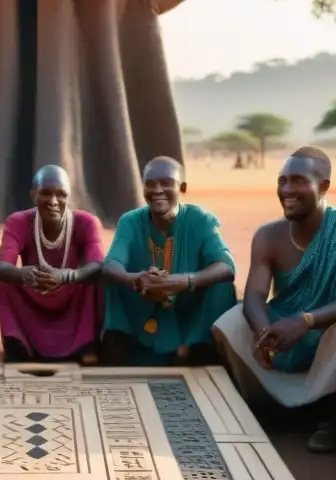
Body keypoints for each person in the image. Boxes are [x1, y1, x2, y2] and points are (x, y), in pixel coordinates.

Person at [213, 147, 336, 452]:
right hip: (284, 327)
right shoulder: (268, 236)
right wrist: (263, 333)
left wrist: (307, 321)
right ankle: (266, 405)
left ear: (323, 187)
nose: (287, 190)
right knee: (231, 320)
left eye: (297, 181)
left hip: (328, 327)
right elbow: (255, 294)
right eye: (282, 181)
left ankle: (329, 416)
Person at [100, 156, 237, 365]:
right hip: (143, 309)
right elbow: (111, 264)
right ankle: (118, 347)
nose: (157, 190)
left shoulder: (200, 219)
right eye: (150, 184)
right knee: (110, 278)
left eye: (166, 183)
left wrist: (185, 281)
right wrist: (135, 279)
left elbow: (226, 266)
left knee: (222, 287)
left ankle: (195, 350)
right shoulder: (130, 221)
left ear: (182, 187)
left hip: (186, 311)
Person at [0, 165, 105, 364]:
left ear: (69, 196)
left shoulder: (86, 222)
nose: (53, 201)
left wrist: (64, 276)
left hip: (72, 295)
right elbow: (1, 269)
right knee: (3, 284)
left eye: (61, 195)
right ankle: (20, 343)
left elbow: (97, 266)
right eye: (45, 193)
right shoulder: (18, 221)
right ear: (33, 194)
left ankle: (86, 345)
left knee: (96, 281)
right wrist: (25, 274)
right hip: (35, 293)